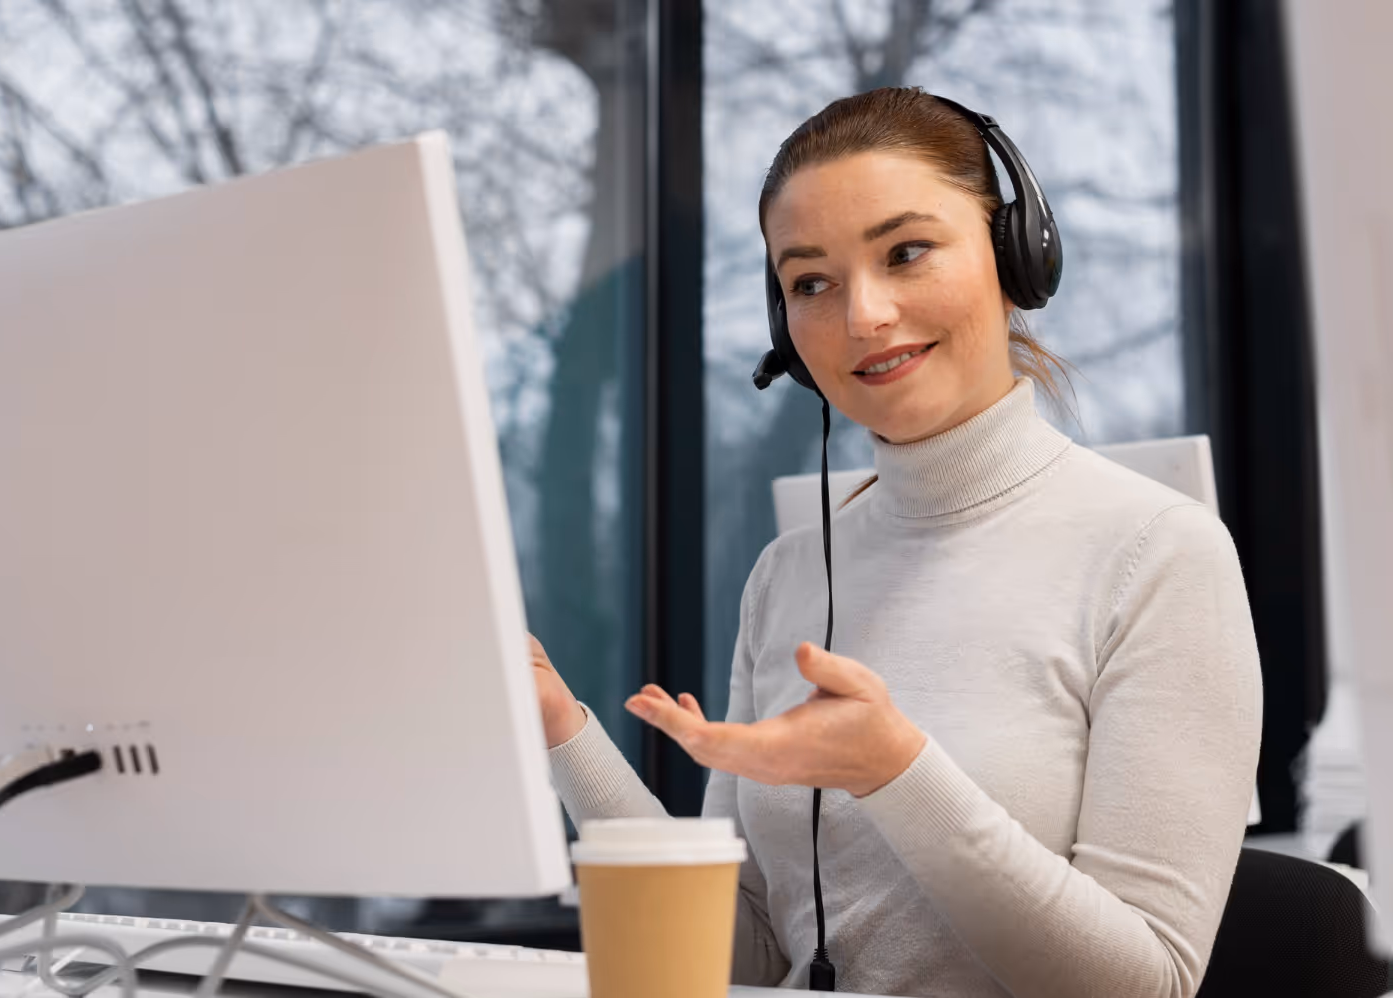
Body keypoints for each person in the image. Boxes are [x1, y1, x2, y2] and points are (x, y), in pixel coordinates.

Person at [530, 87, 1262, 998]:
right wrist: (562, 734)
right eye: (811, 283)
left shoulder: (1160, 556)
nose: (863, 316)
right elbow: (757, 960)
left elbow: (1145, 986)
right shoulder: (790, 575)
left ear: (1014, 255)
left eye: (906, 252)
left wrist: (895, 772)